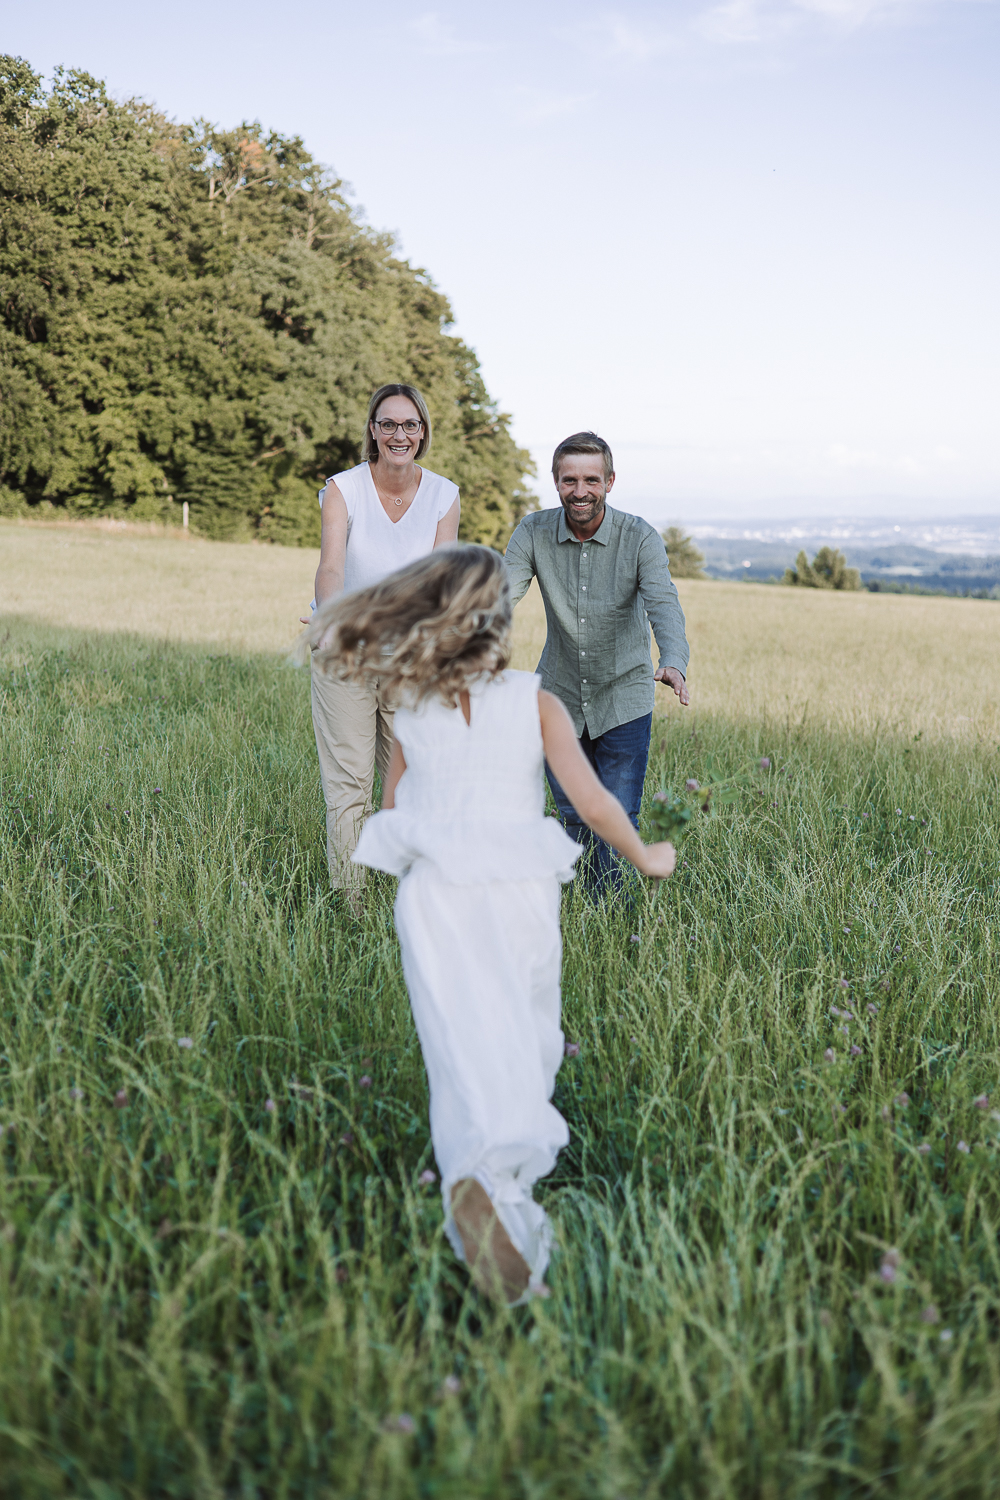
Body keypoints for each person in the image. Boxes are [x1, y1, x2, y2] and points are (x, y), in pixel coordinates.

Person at [309, 545, 676, 1305]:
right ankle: (504, 1192)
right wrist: (646, 855)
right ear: (500, 618)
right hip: (518, 894)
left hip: (436, 899)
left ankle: (474, 1180)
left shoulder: (409, 705)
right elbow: (594, 803)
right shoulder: (536, 701)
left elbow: (392, 814)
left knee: (457, 1055)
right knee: (523, 1039)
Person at [504, 431, 690, 898]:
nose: (580, 491)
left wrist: (674, 662)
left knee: (617, 814)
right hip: (559, 698)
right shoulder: (532, 531)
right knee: (572, 815)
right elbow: (498, 596)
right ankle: (581, 905)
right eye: (570, 480)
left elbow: (663, 602)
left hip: (624, 697)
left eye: (591, 479)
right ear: (555, 481)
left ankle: (610, 915)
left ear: (609, 481)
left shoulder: (640, 537)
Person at [309, 383, 460, 896]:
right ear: (373, 430)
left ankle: (410, 900)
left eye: (410, 424)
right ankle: (351, 903)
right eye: (389, 424)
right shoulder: (343, 488)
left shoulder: (443, 494)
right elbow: (330, 567)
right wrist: (329, 621)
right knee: (349, 786)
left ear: (423, 432)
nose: (400, 434)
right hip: (345, 652)